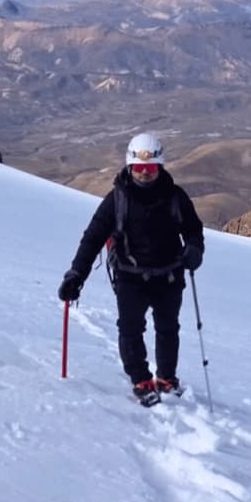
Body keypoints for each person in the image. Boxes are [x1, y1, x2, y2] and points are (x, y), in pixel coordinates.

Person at [59, 132, 205, 404]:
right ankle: (140, 379)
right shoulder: (117, 199)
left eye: (150, 168)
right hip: (130, 277)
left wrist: (195, 250)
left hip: (169, 275)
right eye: (139, 168)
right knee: (130, 328)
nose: (145, 174)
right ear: (129, 167)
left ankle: (166, 379)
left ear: (160, 167)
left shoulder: (176, 197)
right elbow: (93, 238)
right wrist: (76, 274)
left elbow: (194, 231)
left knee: (168, 328)